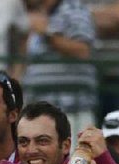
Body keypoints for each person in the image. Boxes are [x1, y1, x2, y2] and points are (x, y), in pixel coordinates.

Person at [23, 0, 97, 138]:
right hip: (41, 111)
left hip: (71, 110)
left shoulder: (74, 9)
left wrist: (48, 33)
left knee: (73, 158)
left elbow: (83, 50)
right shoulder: (39, 13)